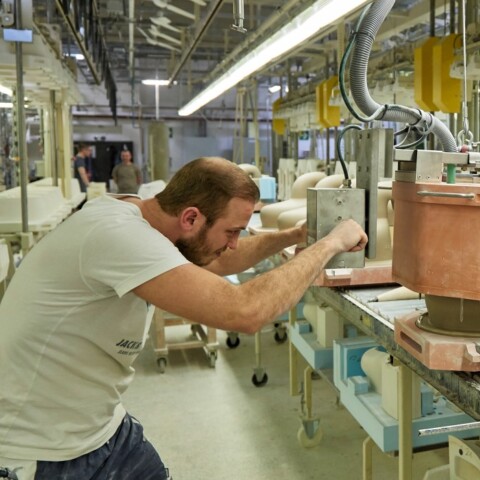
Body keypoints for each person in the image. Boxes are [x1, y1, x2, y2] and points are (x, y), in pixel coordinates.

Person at [0, 157, 367, 480]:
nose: (235, 242)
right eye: (232, 232)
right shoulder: (117, 236)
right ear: (191, 217)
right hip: (43, 449)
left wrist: (295, 236)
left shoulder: (148, 217)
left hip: (101, 428)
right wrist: (329, 244)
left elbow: (217, 258)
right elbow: (245, 311)